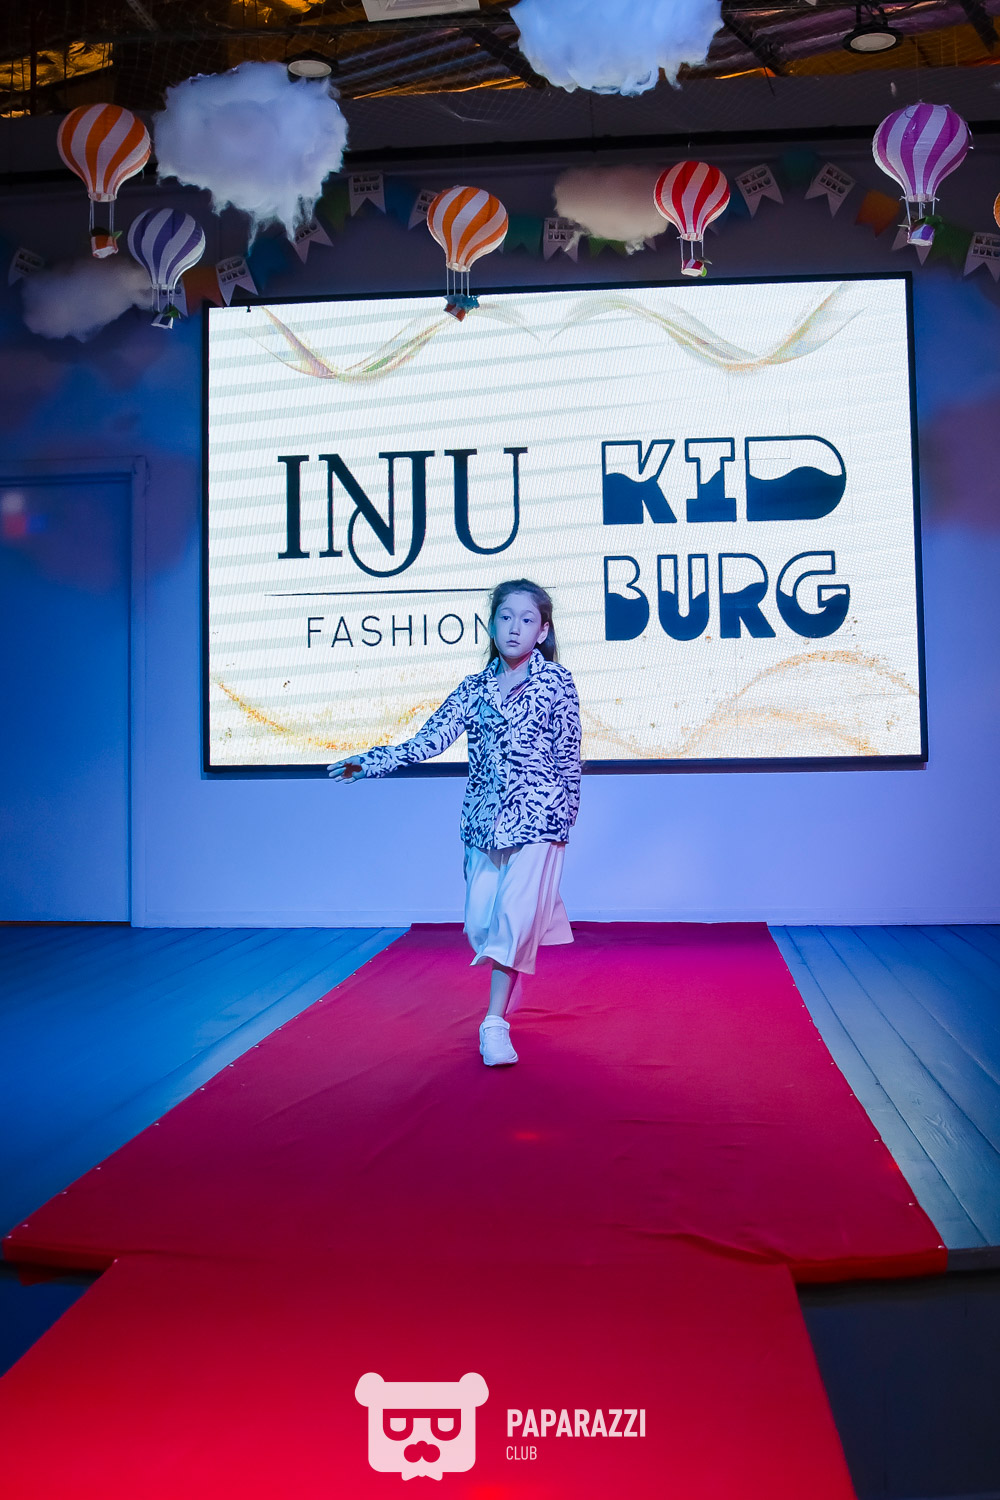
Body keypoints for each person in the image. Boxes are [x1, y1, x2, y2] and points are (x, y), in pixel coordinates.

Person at [328, 579, 582, 1068]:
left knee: (513, 919)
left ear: (543, 630)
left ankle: (494, 1024)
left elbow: (568, 754)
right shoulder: (474, 688)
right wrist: (372, 762)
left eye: (527, 619)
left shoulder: (557, 682)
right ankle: (511, 973)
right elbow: (430, 739)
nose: (515, 628)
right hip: (484, 824)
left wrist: (566, 817)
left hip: (540, 819)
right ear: (491, 624)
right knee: (481, 925)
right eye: (505, 617)